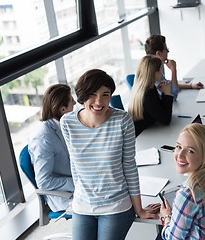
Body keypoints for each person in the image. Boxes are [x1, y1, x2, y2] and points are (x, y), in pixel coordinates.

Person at [60, 69, 159, 240]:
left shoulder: (122, 120)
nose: (99, 101)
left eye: (105, 95)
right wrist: (78, 196)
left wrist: (139, 208)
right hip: (83, 205)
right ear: (82, 95)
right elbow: (75, 165)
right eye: (92, 94)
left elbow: (129, 166)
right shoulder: (67, 122)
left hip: (116, 205)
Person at [28, 83, 76, 212]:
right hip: (65, 196)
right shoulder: (43, 138)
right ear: (62, 109)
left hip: (78, 179)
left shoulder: (61, 124)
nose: (75, 103)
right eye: (72, 101)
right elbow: (44, 182)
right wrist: (76, 182)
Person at [145, 34, 204, 100]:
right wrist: (173, 70)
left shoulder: (153, 67)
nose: (168, 52)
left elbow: (169, 85)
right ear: (158, 53)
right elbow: (172, 96)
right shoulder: (154, 72)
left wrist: (190, 86)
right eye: (166, 49)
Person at [129, 55, 174, 137]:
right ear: (155, 73)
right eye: (160, 69)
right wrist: (167, 94)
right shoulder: (148, 94)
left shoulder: (142, 87)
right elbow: (166, 120)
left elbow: (159, 111)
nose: (161, 72)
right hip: (144, 137)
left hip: (146, 132)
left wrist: (162, 92)